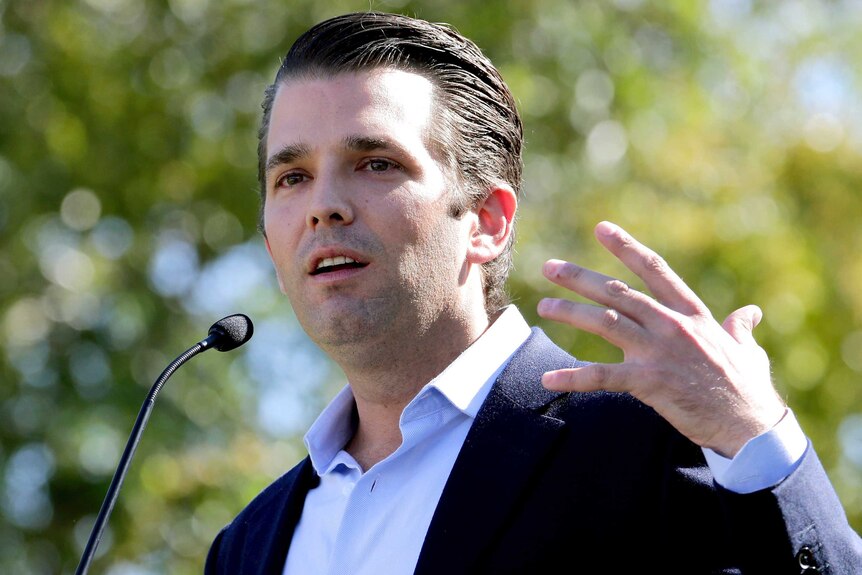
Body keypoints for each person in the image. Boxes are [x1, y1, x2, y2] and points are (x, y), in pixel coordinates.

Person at [206, 11, 861, 574]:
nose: (323, 206)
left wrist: (755, 436)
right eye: (291, 176)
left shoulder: (652, 444)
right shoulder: (246, 543)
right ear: (269, 238)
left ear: (487, 221)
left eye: (376, 162)